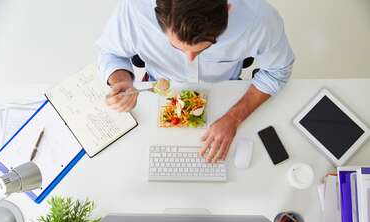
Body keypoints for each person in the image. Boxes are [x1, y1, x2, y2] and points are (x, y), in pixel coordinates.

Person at [97, 0, 294, 163]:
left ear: (227, 8)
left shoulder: (260, 19)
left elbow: (277, 71)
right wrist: (120, 78)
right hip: (156, 93)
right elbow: (111, 52)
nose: (189, 59)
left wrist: (234, 118)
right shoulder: (134, 10)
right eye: (177, 48)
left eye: (203, 49)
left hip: (225, 95)